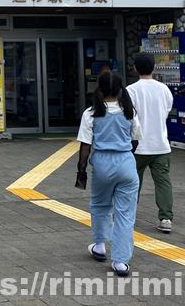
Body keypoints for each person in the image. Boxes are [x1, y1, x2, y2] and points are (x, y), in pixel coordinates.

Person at [75, 71, 142, 277]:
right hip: (126, 163)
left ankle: (99, 245)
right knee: (125, 214)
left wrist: (81, 171)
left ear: (100, 89)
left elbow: (85, 146)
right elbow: (135, 139)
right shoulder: (129, 112)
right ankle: (120, 262)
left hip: (102, 164)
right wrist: (125, 156)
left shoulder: (91, 113)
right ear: (121, 90)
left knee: (100, 205)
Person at [126, 52, 174, 234]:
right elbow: (167, 110)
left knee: (132, 182)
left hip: (138, 145)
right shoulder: (164, 89)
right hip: (161, 144)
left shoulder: (131, 90)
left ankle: (128, 216)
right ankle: (166, 218)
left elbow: (128, 116)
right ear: (154, 67)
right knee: (163, 182)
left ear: (135, 68)